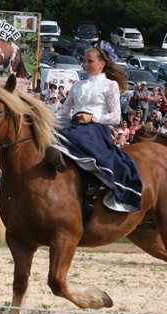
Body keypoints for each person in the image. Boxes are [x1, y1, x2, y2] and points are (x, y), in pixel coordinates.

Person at [49, 46, 143, 211]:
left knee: (80, 138)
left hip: (95, 128)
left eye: (89, 61)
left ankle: (96, 181)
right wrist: (46, 119)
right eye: (84, 61)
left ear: (102, 64)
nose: (85, 64)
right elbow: (63, 111)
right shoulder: (77, 84)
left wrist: (92, 117)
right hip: (74, 124)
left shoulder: (110, 85)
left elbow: (115, 116)